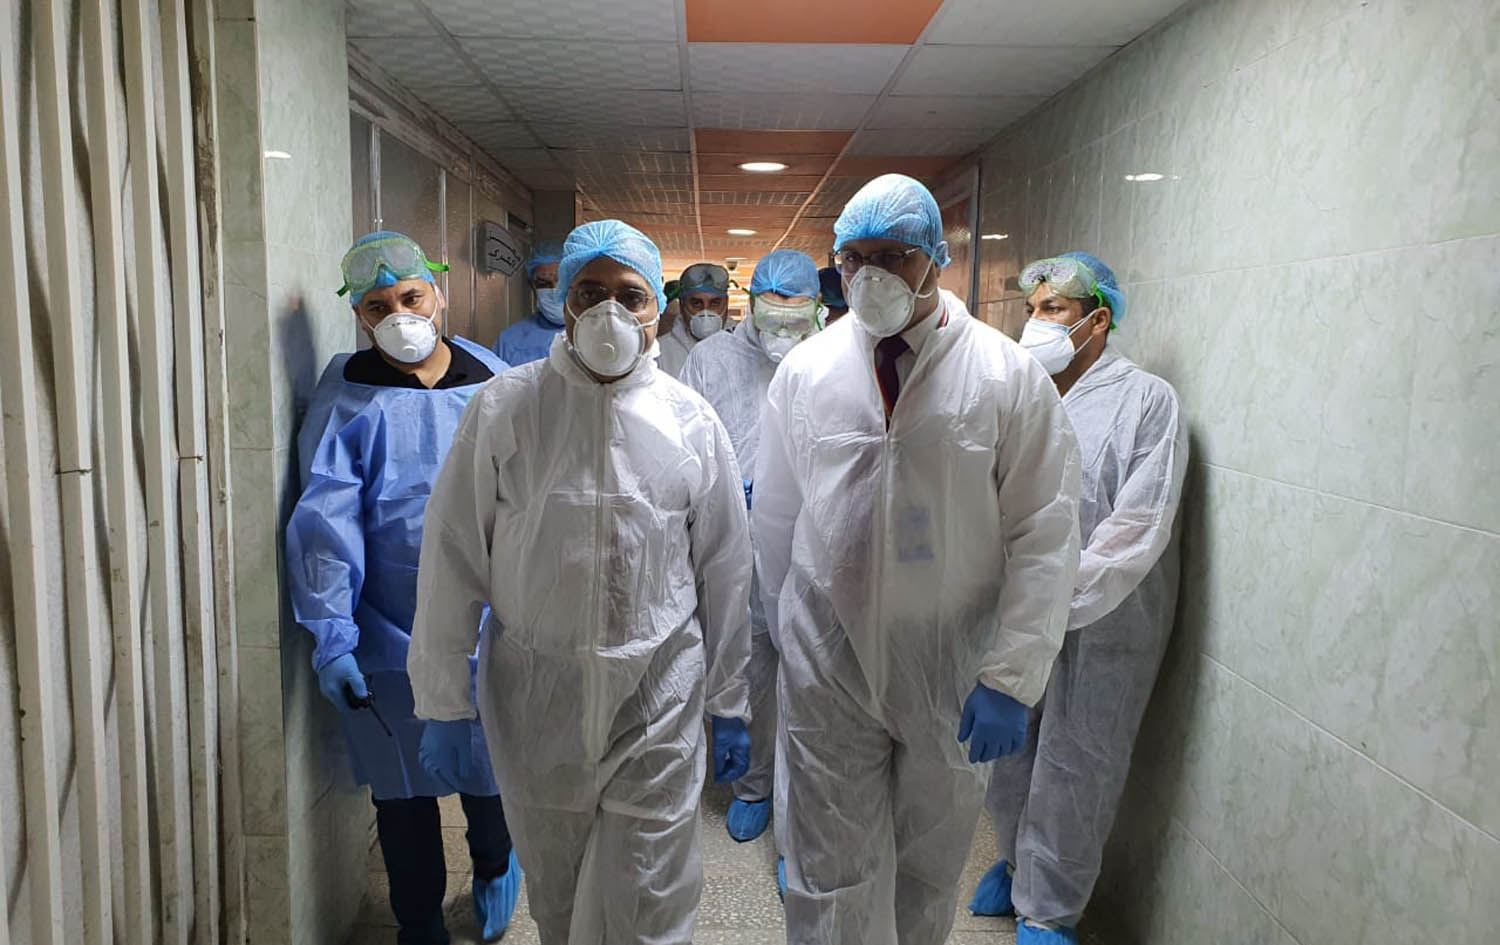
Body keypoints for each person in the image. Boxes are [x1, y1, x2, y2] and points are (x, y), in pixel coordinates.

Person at [753, 174, 1082, 945]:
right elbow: (775, 515)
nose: (871, 275)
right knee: (826, 868)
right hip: (829, 658)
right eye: (854, 258)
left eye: (894, 256)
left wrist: (1011, 677)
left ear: (936, 256)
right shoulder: (807, 370)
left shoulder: (1005, 375)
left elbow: (1045, 530)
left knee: (929, 869)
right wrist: (784, 633)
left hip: (950, 664)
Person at [407, 220, 755, 945]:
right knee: (559, 898)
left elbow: (725, 567)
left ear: (655, 307)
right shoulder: (506, 406)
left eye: (629, 295)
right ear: (564, 301)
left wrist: (730, 700)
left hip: (658, 694)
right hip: (539, 698)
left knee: (652, 897)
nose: (609, 312)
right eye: (590, 293)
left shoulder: (690, 420)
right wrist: (442, 698)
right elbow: (453, 554)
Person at [286, 231, 521, 945]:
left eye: (411, 297)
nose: (399, 316)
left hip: (490, 620)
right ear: (358, 315)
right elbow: (326, 523)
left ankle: (495, 863)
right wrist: (332, 636)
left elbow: (531, 498)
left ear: (437, 294)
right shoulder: (348, 396)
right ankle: (417, 922)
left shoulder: (493, 379)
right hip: (387, 633)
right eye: (377, 306)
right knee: (402, 790)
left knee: (490, 769)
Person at [971, 252, 1187, 945]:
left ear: (1098, 320)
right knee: (1010, 755)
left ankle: (1049, 908)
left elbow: (1137, 527)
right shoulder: (1024, 394)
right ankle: (1015, 862)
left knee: (1077, 758)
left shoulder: (1147, 401)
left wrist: (1054, 600)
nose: (1036, 322)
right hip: (1018, 610)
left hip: (1106, 621)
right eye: (1032, 309)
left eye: (1053, 309)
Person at [679, 248, 824, 846]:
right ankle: (754, 785)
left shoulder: (830, 358)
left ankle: (803, 808)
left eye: (796, 318)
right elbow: (683, 440)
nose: (783, 330)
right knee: (748, 664)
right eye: (773, 315)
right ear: (751, 305)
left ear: (817, 309)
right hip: (735, 539)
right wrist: (720, 491)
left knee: (815, 673)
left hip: (810, 542)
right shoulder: (712, 359)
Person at [493, 239, 565, 366]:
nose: (553, 289)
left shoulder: (594, 334)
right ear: (532, 286)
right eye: (543, 283)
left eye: (561, 282)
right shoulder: (510, 341)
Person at [657, 262, 730, 377]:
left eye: (715, 303)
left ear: (726, 303)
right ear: (682, 305)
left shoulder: (743, 347)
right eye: (696, 303)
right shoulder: (661, 352)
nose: (705, 311)